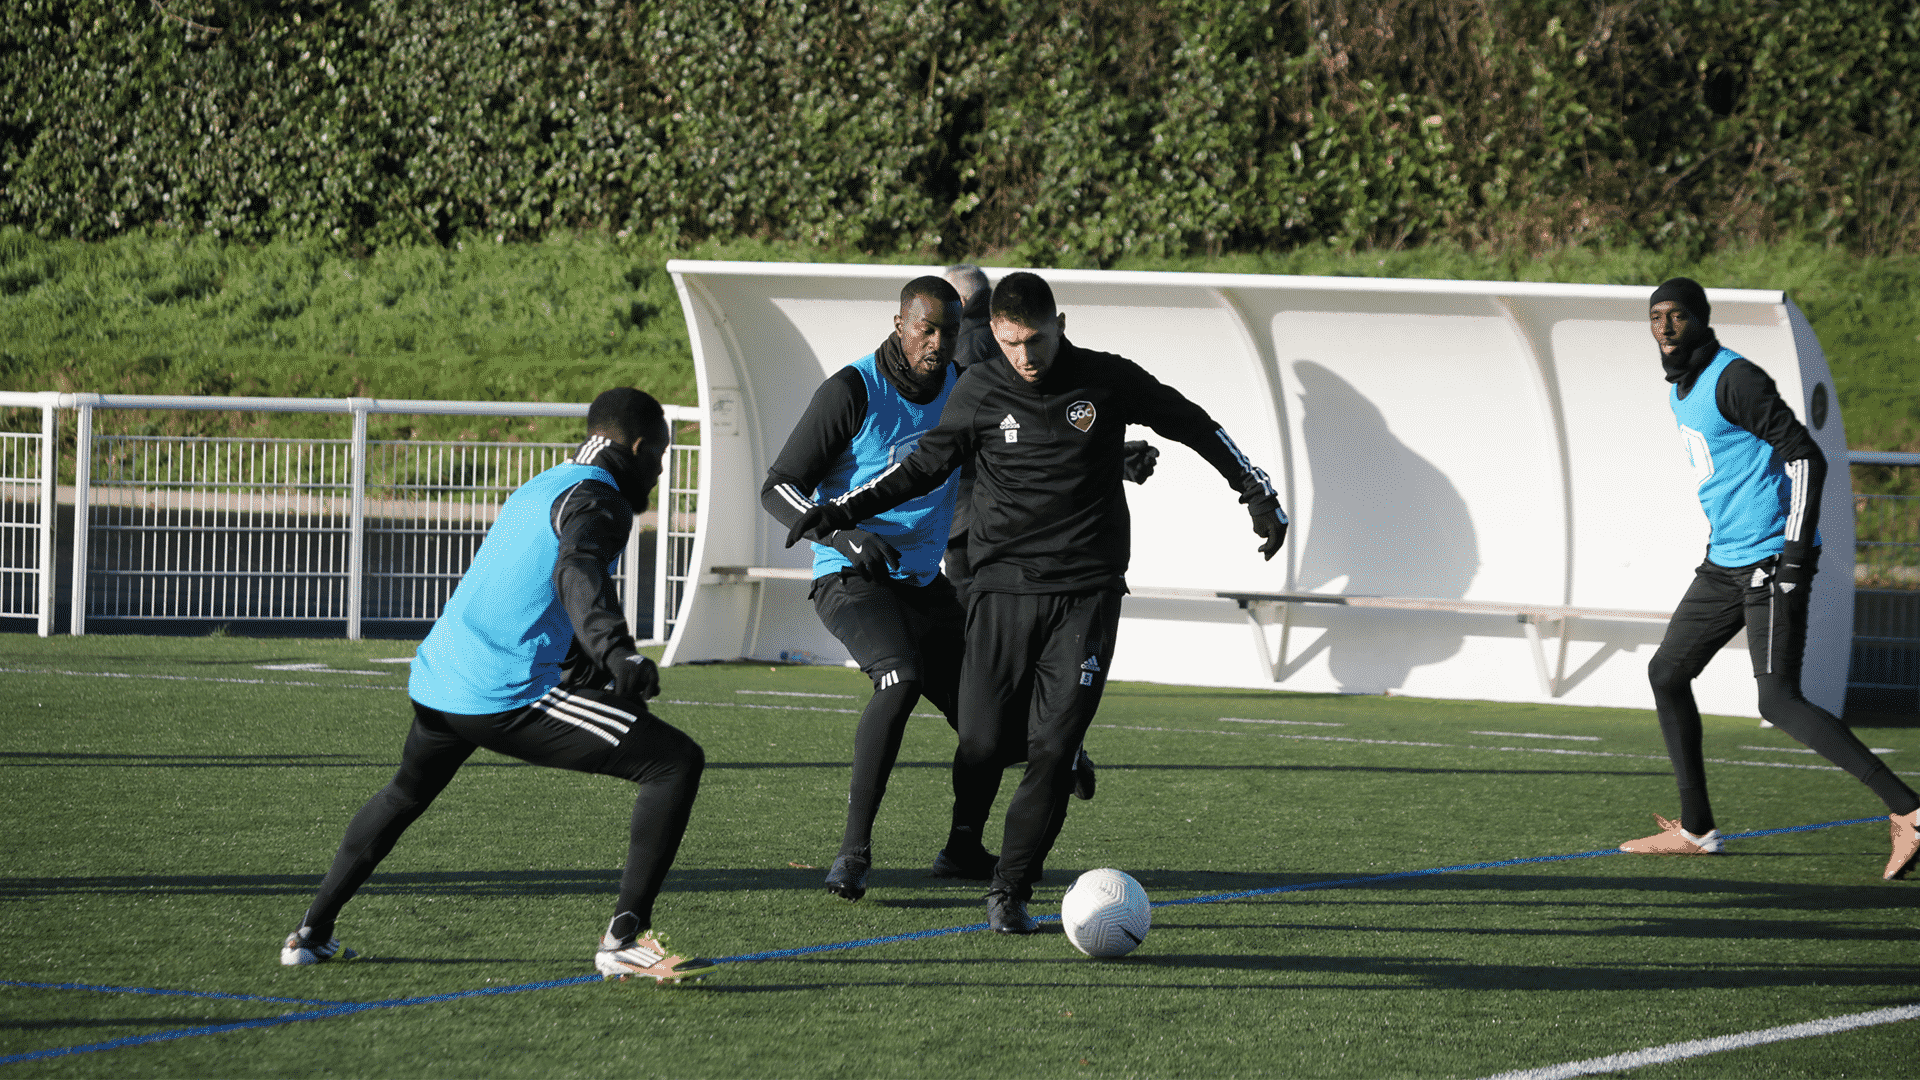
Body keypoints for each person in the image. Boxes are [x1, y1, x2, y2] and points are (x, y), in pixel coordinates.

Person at [785, 271, 1289, 932]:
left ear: (1061, 325)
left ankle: (1009, 887)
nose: (1027, 355)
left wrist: (1253, 489)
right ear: (994, 333)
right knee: (985, 742)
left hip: (1086, 594)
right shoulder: (977, 389)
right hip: (997, 593)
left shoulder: (1106, 379)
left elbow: (1190, 422)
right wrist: (838, 514)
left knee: (1054, 746)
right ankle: (960, 847)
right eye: (1014, 342)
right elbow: (921, 467)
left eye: (1038, 340)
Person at [280, 388, 711, 980]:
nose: (659, 473)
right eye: (659, 458)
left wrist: (592, 672)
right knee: (674, 762)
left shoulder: (548, 481)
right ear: (638, 448)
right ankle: (624, 942)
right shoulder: (599, 498)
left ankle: (310, 932)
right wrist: (618, 655)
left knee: (404, 793)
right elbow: (575, 571)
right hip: (505, 694)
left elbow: (529, 592)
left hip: (441, 677)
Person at [762, 276, 1086, 901]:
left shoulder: (967, 389)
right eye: (925, 330)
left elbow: (1026, 441)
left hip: (923, 585)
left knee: (990, 721)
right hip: (850, 579)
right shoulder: (851, 390)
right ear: (899, 324)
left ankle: (963, 847)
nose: (937, 343)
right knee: (899, 678)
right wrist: (846, 538)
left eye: (949, 331)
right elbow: (778, 487)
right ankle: (853, 854)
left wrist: (1108, 452)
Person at [1625, 277, 1919, 880]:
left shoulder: (1734, 378)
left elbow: (1804, 455)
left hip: (1768, 561)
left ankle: (1910, 810)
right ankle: (1698, 829)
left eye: (1677, 316)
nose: (1665, 327)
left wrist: (1793, 557)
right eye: (1656, 317)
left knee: (1776, 699)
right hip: (1723, 563)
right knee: (1667, 671)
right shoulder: (1681, 386)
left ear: (1701, 320)